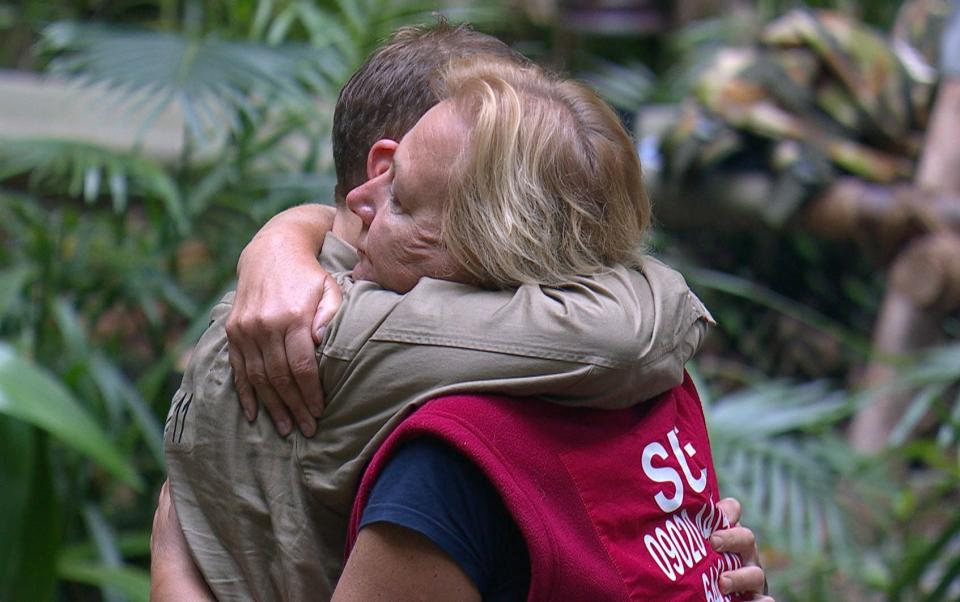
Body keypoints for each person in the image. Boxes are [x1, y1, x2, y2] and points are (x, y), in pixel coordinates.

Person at [155, 22, 769, 601]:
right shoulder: (641, 385)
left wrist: (175, 565)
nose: (362, 203)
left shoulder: (454, 440)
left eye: (400, 192)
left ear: (489, 238)